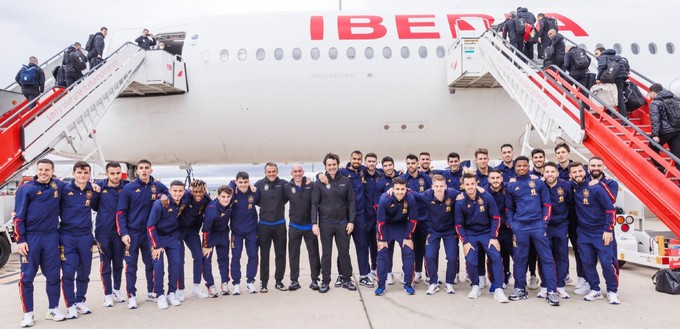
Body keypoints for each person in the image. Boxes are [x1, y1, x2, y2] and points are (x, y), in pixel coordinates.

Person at [14, 159, 67, 327]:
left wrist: (95, 186)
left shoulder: (57, 185)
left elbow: (77, 185)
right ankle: (28, 314)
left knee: (53, 276)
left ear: (53, 171)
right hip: (31, 238)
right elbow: (18, 217)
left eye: (47, 170)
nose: (44, 172)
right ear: (37, 170)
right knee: (27, 277)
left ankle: (53, 309)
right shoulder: (26, 189)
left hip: (51, 237)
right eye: (41, 169)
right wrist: (20, 240)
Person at [505, 156, 560, 306]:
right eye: (519, 166)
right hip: (520, 227)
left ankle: (551, 291)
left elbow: (547, 205)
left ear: (528, 166)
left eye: (524, 166)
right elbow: (508, 208)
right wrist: (512, 224)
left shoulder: (538, 183)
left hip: (537, 226)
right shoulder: (511, 186)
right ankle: (519, 289)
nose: (521, 168)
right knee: (520, 259)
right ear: (515, 168)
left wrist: (544, 223)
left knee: (546, 258)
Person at [116, 159, 168, 309]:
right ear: (137, 171)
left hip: (149, 234)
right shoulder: (129, 188)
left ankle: (151, 292)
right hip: (132, 234)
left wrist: (165, 198)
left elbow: (171, 195)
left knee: (151, 264)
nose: (144, 170)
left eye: (147, 168)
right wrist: (123, 233)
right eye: (141, 168)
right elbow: (120, 213)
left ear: (151, 170)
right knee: (131, 266)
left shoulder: (158, 186)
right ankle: (131, 295)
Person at [568, 162, 620, 304]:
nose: (577, 174)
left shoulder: (596, 187)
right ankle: (595, 289)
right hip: (584, 233)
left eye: (580, 171)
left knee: (606, 262)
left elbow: (610, 210)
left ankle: (612, 291)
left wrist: (608, 229)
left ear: (585, 171)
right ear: (570, 175)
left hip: (601, 232)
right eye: (574, 172)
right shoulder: (572, 187)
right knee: (587, 263)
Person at [454, 173, 508, 303]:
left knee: (495, 256)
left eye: (472, 183)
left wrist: (493, 237)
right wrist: (465, 241)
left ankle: (498, 289)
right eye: (467, 184)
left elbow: (495, 217)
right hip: (470, 235)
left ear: (476, 183)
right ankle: (475, 286)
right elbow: (459, 225)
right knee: (471, 260)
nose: (470, 186)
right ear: (463, 186)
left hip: (487, 233)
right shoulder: (460, 201)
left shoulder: (486, 197)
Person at [59, 161, 99, 318]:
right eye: (79, 173)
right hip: (67, 236)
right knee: (69, 272)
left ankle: (80, 301)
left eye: (85, 173)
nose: (82, 176)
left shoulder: (93, 190)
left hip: (86, 236)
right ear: (73, 173)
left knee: (85, 271)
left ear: (89, 175)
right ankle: (70, 305)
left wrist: (96, 186)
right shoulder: (64, 189)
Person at [311, 153, 356, 293]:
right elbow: (314, 204)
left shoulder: (345, 181)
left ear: (338, 165)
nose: (332, 167)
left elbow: (351, 202)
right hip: (325, 223)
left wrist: (351, 221)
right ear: (325, 166)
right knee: (326, 253)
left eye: (334, 164)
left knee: (344, 252)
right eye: (329, 165)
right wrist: (314, 223)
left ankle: (347, 279)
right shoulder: (319, 182)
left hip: (342, 223)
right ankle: (325, 281)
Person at [411, 174, 460, 295]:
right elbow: (411, 193)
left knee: (452, 257)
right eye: (436, 186)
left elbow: (467, 193)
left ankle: (449, 283)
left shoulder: (453, 193)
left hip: (449, 231)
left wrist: (480, 189)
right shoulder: (427, 195)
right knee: (429, 256)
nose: (439, 189)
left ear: (446, 186)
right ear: (432, 187)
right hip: (433, 230)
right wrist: (392, 190)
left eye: (441, 186)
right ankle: (433, 283)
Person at [374, 177, 418, 296]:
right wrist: (382, 239)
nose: (400, 192)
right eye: (397, 189)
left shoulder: (410, 198)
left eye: (402, 189)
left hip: (402, 227)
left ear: (406, 189)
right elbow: (380, 222)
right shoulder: (385, 199)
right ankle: (381, 285)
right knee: (382, 252)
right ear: (392, 189)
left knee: (409, 251)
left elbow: (413, 220)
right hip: (386, 227)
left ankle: (408, 283)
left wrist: (407, 237)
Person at [147, 180, 185, 309]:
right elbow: (150, 226)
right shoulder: (160, 204)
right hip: (158, 237)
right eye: (175, 191)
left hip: (173, 237)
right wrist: (156, 245)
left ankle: (171, 293)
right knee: (158, 267)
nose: (177, 193)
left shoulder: (183, 200)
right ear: (169, 191)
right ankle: (160, 295)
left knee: (176, 264)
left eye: (180, 191)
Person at [95, 162, 128, 307]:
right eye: (112, 173)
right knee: (105, 264)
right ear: (106, 174)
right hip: (103, 232)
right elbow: (92, 204)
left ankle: (116, 290)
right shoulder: (99, 187)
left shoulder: (127, 186)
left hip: (120, 233)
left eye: (118, 173)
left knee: (119, 263)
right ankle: (107, 294)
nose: (115, 176)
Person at [538, 162, 573, 299]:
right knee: (544, 257)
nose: (550, 174)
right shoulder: (540, 186)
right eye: (547, 172)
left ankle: (560, 285)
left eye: (552, 171)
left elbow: (570, 203)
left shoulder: (565, 186)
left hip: (561, 226)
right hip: (545, 226)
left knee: (561, 256)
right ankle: (545, 285)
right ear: (543, 173)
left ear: (557, 173)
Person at [284, 164, 320, 291]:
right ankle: (294, 280)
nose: (298, 174)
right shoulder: (287, 187)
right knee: (293, 254)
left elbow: (320, 181)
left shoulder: (311, 185)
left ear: (303, 172)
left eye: (300, 171)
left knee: (314, 254)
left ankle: (315, 280)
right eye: (295, 171)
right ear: (291, 173)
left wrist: (319, 175)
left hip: (309, 226)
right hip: (294, 226)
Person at [254, 163, 289, 292]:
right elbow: (255, 200)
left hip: (279, 224)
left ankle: (279, 281)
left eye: (273, 171)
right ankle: (264, 283)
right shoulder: (259, 184)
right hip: (264, 225)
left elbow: (288, 197)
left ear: (277, 171)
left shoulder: (284, 184)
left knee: (280, 254)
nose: (271, 174)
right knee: (264, 254)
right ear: (265, 172)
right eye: (269, 172)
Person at [176, 180, 211, 299]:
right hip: (178, 230)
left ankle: (196, 287)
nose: (198, 194)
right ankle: (179, 290)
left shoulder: (206, 199)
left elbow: (215, 207)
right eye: (195, 191)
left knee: (198, 256)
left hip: (192, 230)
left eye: (201, 191)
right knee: (179, 260)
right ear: (191, 190)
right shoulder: (186, 196)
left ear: (204, 190)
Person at [400, 154, 431, 284]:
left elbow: (429, 196)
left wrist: (413, 193)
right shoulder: (402, 179)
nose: (411, 165)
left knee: (425, 249)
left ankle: (428, 276)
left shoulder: (425, 178)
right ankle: (411, 275)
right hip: (409, 220)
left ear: (417, 163)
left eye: (413, 163)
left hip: (424, 219)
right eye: (408, 163)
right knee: (409, 249)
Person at [229, 172, 260, 295]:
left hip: (251, 231)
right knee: (236, 257)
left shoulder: (254, 192)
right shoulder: (232, 192)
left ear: (249, 182)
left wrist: (251, 185)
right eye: (240, 182)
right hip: (236, 232)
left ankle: (250, 282)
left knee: (253, 256)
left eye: (245, 182)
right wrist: (232, 184)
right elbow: (229, 187)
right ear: (236, 182)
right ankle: (236, 284)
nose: (243, 184)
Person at [201, 186, 233, 298]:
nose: (226, 199)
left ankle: (225, 283)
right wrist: (206, 245)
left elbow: (233, 184)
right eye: (223, 197)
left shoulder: (230, 204)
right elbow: (205, 229)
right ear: (218, 196)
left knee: (224, 259)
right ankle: (210, 285)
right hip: (210, 235)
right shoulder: (211, 209)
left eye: (228, 197)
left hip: (223, 234)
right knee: (206, 261)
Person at [487, 169, 513, 289]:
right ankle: (495, 281)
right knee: (494, 256)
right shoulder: (483, 192)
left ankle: (512, 279)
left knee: (513, 254)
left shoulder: (509, 188)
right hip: (492, 230)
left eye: (498, 178)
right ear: (488, 180)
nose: (495, 180)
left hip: (508, 228)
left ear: (502, 178)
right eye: (493, 178)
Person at [648, 83, 680, 171]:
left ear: (654, 93)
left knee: (652, 148)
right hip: (677, 130)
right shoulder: (675, 99)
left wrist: (655, 135)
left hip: (665, 131)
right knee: (678, 155)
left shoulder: (655, 103)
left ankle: (662, 168)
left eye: (650, 93)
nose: (650, 95)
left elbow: (655, 120)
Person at [595, 46, 629, 118]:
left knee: (612, 95)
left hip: (613, 78)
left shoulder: (602, 57)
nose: (595, 56)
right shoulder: (617, 57)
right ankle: (619, 114)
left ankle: (623, 116)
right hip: (621, 77)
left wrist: (598, 78)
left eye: (596, 53)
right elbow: (626, 65)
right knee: (618, 96)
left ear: (601, 52)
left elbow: (602, 67)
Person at [363, 153, 382, 279]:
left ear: (376, 162)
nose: (371, 163)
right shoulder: (360, 174)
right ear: (365, 162)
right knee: (364, 245)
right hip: (364, 216)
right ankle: (366, 271)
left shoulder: (380, 175)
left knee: (375, 245)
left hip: (378, 217)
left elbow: (395, 173)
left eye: (373, 161)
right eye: (369, 161)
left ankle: (375, 269)